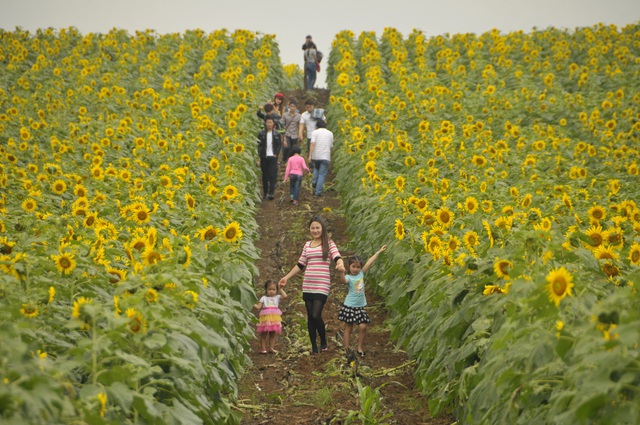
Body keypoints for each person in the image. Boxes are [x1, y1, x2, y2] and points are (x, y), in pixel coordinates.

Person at [279, 216, 345, 354]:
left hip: (322, 284)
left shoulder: (329, 243)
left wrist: (340, 263)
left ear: (322, 228)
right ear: (309, 229)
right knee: (310, 317)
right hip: (308, 284)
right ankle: (314, 346)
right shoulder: (307, 245)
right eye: (312, 228)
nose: (315, 230)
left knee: (316, 315)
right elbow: (300, 264)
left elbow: (337, 257)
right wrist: (286, 277)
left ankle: (323, 340)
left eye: (317, 228)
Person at [338, 246, 387, 357]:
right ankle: (346, 348)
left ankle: (359, 347)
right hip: (349, 306)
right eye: (353, 267)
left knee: (363, 327)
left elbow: (369, 262)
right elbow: (343, 281)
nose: (355, 269)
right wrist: (341, 272)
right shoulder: (348, 277)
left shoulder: (361, 274)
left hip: (360, 307)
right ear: (349, 267)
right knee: (348, 328)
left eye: (358, 267)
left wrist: (379, 252)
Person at [253, 279, 287, 354]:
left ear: (276, 290)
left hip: (274, 319)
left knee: (273, 334)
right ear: (266, 290)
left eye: (274, 289)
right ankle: (263, 348)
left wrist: (280, 288)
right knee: (263, 333)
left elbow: (285, 296)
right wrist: (251, 302)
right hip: (265, 318)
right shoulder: (263, 298)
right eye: (269, 289)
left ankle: (271, 348)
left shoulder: (277, 297)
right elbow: (258, 307)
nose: (271, 291)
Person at [257, 117, 282, 200]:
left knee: (272, 175)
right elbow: (259, 145)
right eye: (268, 122)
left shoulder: (276, 133)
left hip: (273, 157)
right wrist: (260, 155)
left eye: (271, 122)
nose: (269, 124)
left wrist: (276, 154)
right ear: (265, 123)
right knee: (265, 175)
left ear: (273, 123)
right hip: (264, 156)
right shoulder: (261, 133)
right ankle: (265, 193)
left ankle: (271, 193)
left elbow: (279, 145)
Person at [308, 119, 334, 197]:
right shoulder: (330, 133)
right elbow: (331, 147)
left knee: (316, 168)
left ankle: (314, 181)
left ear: (317, 126)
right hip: (325, 156)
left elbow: (312, 144)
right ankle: (318, 192)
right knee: (322, 174)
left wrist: (310, 155)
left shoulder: (314, 132)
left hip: (317, 156)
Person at [280, 99, 301, 163]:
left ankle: (291, 161)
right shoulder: (285, 115)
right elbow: (281, 124)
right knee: (287, 147)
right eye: (291, 106)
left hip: (294, 134)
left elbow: (300, 125)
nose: (292, 108)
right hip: (287, 133)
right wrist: (282, 134)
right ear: (289, 107)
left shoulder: (298, 116)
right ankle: (284, 159)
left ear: (296, 107)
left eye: (293, 106)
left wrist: (300, 134)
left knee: (293, 148)